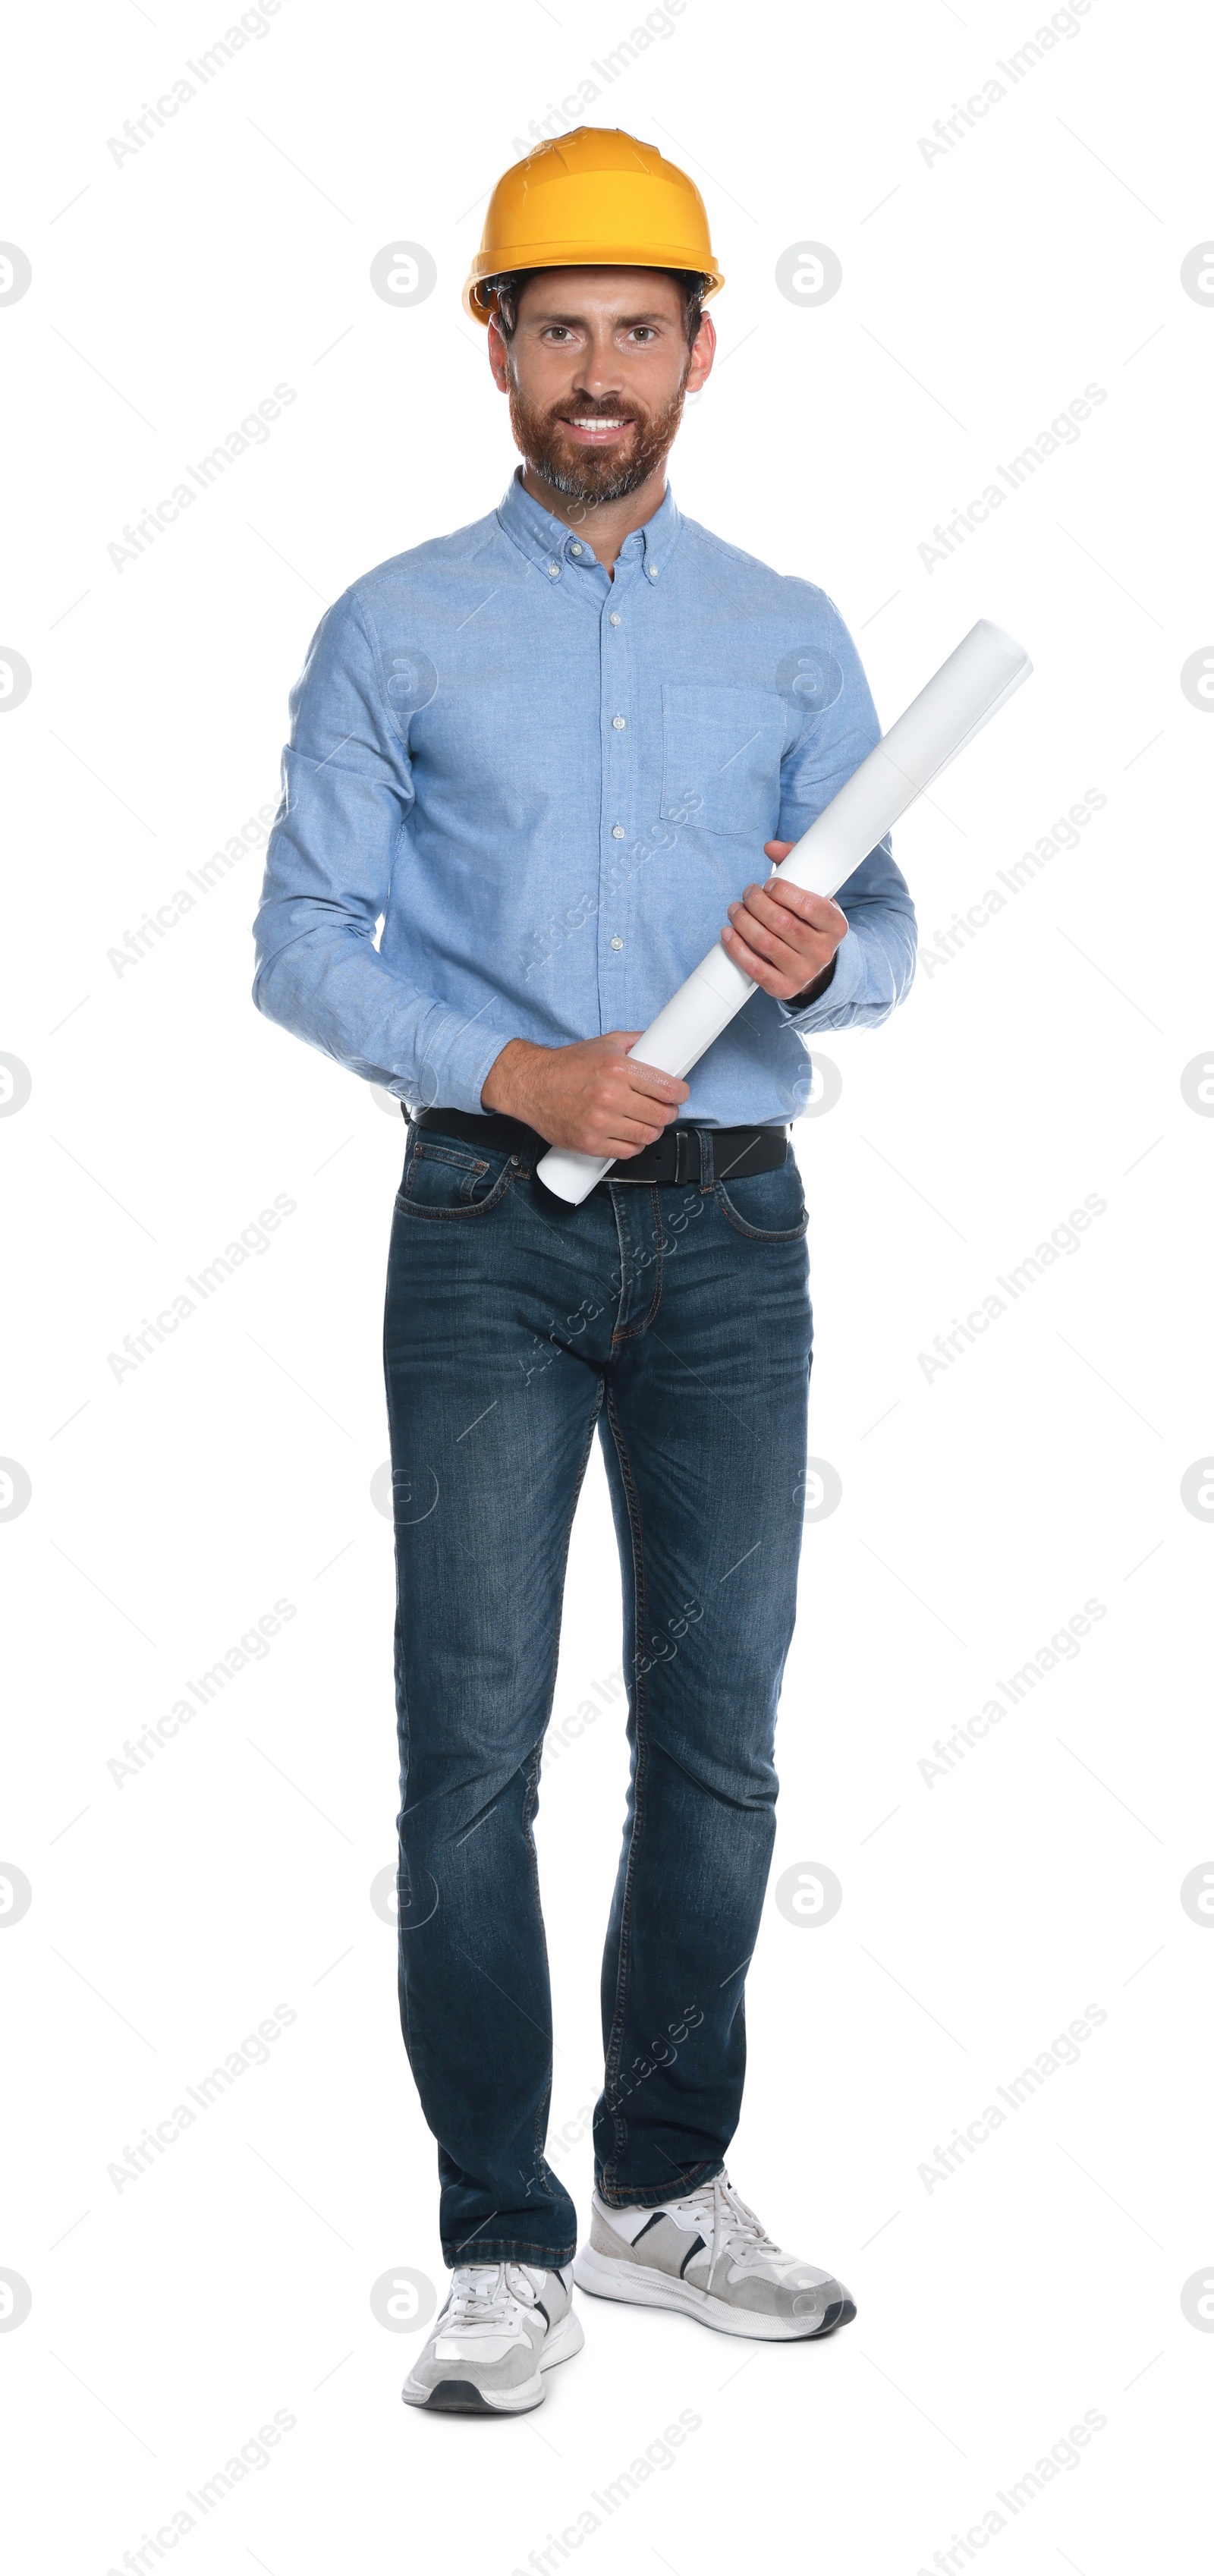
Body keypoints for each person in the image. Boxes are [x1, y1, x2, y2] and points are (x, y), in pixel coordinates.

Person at [252, 126, 916, 2416]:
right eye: (561, 329)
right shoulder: (396, 626)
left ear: (702, 351)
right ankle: (500, 2237)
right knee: (472, 1751)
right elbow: (299, 948)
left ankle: (658, 2186)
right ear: (499, 350)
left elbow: (889, 934)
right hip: (480, 1238)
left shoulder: (792, 633)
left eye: (641, 328)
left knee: (716, 1750)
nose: (600, 368)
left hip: (735, 1235)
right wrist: (516, 1069)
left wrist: (820, 956)